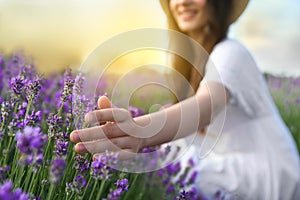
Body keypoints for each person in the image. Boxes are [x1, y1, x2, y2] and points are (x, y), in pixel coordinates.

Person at [70, 0, 300, 199]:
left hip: (269, 174)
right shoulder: (192, 65)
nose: (182, 1)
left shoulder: (231, 52)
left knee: (169, 168)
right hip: (236, 163)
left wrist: (142, 132)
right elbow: (190, 119)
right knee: (170, 149)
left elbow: (204, 107)